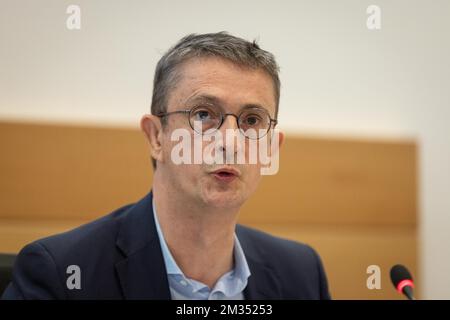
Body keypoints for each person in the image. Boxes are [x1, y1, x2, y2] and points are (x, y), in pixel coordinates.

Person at [2, 32, 330, 300]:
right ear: (156, 136)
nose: (230, 141)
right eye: (203, 115)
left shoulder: (301, 273)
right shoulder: (62, 273)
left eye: (252, 120)